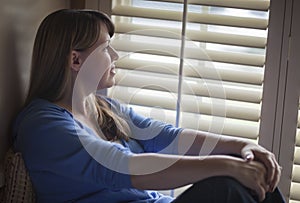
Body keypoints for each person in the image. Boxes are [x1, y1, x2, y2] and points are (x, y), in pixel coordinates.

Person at [12, 9, 285, 203]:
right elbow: (123, 167)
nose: (115, 55)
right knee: (228, 187)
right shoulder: (42, 125)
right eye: (106, 47)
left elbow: (168, 137)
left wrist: (241, 147)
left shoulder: (106, 108)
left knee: (255, 172)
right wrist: (225, 167)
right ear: (75, 60)